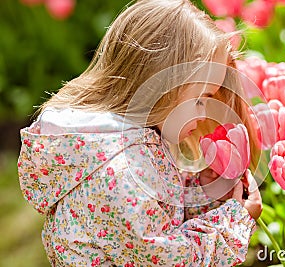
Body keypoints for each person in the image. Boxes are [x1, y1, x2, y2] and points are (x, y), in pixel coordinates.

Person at [17, 0, 263, 266]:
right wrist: (234, 224)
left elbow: (154, 218)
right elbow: (165, 257)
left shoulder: (125, 141)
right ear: (163, 85)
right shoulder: (118, 172)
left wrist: (199, 192)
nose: (204, 113)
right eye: (201, 98)